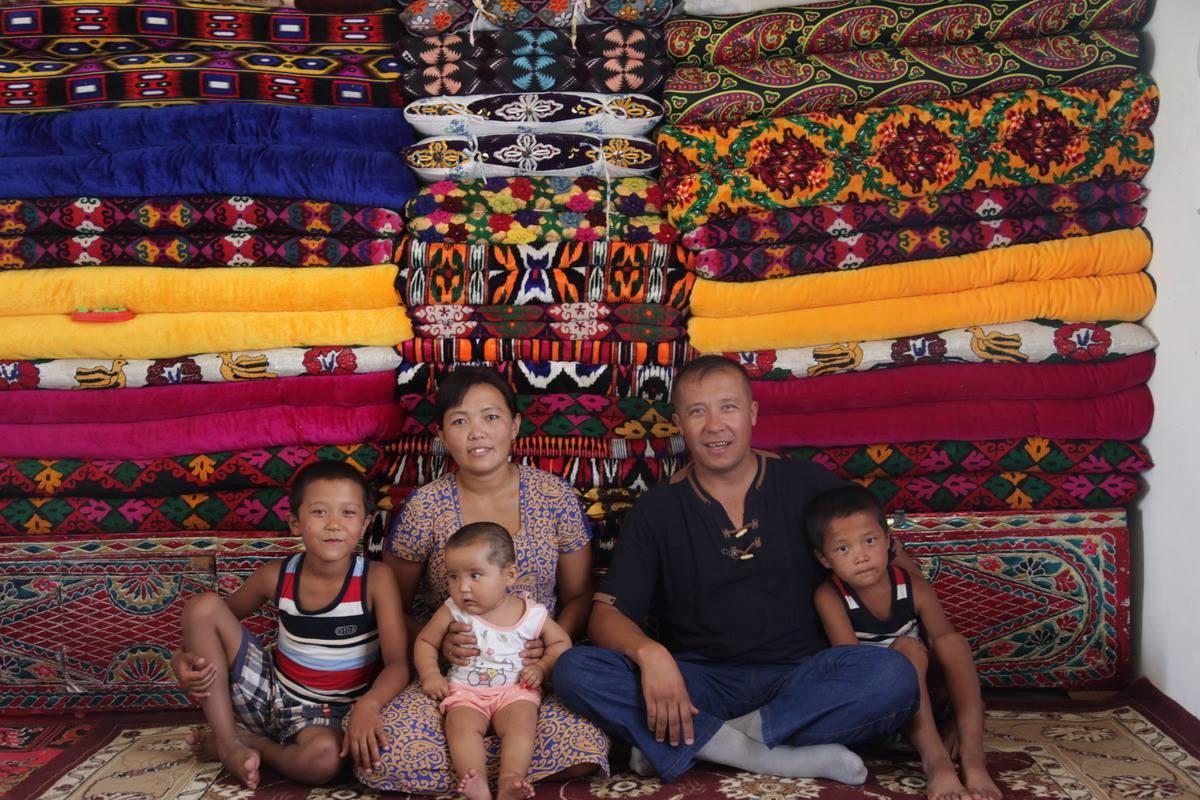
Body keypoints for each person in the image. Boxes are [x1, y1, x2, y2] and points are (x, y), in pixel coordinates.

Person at [553, 355, 921, 783]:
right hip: (697, 684)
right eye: (697, 411)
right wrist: (651, 655)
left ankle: (708, 744)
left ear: (752, 413)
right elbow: (606, 616)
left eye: (727, 407)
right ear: (678, 423)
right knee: (576, 670)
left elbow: (891, 567)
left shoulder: (808, 485)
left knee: (893, 676)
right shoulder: (656, 509)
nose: (714, 426)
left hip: (803, 679)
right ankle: (766, 752)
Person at [359, 366, 608, 794]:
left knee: (586, 746)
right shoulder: (425, 507)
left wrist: (546, 655)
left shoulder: (554, 496)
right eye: (460, 421)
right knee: (382, 757)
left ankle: (490, 767)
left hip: (532, 682)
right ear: (441, 435)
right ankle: (487, 764)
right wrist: (437, 645)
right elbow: (392, 606)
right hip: (454, 683)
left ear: (514, 425)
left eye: (491, 417)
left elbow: (581, 595)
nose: (476, 432)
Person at [170, 461, 410, 789]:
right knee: (202, 606)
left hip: (327, 715)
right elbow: (209, 623)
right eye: (320, 512)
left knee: (324, 761)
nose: (334, 525)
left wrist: (369, 705)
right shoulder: (275, 576)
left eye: (348, 513)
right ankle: (228, 742)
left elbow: (397, 663)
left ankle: (254, 745)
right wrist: (179, 658)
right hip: (268, 693)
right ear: (295, 523)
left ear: (367, 523)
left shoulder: (375, 580)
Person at [807, 485, 1001, 800]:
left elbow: (947, 650)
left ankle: (973, 757)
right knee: (906, 650)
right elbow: (854, 670)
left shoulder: (913, 588)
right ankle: (936, 762)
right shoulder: (830, 597)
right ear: (824, 558)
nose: (861, 556)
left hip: (931, 698)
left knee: (953, 642)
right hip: (884, 709)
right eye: (843, 549)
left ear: (889, 541)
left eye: (870, 541)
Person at [416, 522, 572, 800]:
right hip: (466, 693)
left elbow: (561, 643)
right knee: (460, 727)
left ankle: (511, 779)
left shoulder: (531, 613)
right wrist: (431, 675)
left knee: (522, 725)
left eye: (475, 575)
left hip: (515, 692)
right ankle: (474, 781)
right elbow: (425, 641)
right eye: (453, 577)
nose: (462, 588)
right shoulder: (453, 611)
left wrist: (542, 666)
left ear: (509, 575)